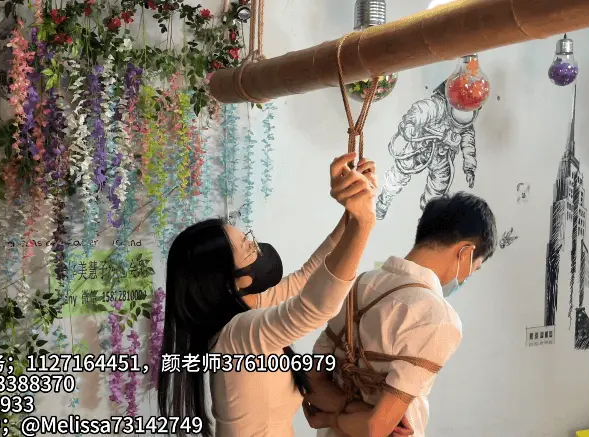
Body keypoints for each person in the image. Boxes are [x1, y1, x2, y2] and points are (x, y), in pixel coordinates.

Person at [157, 153, 379, 437]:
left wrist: (357, 205)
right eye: (248, 246)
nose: (257, 246)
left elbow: (308, 276)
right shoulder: (238, 336)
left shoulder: (249, 312)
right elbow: (316, 307)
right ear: (233, 280)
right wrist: (364, 222)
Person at [302, 191, 497, 437]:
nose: (467, 276)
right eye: (474, 268)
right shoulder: (439, 318)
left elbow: (312, 382)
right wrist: (366, 417)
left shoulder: (359, 284)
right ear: (465, 253)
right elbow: (378, 428)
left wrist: (335, 415)